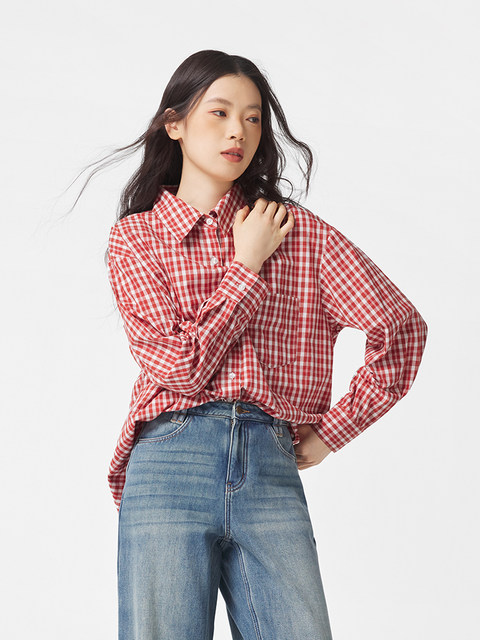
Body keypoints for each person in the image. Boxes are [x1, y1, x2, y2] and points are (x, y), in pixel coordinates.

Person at [88, 49, 427, 639]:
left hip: (269, 463)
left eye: (252, 118)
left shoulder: (299, 232)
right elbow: (181, 368)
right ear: (174, 124)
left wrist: (332, 432)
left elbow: (400, 327)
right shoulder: (136, 238)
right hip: (169, 461)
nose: (238, 132)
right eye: (219, 113)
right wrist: (246, 265)